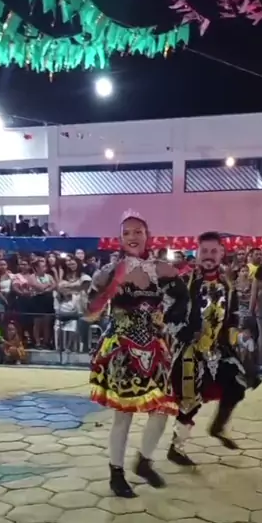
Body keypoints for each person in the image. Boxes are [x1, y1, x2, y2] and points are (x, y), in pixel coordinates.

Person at [87, 211, 189, 498]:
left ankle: (143, 460)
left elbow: (183, 299)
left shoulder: (162, 269)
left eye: (138, 231)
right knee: (124, 415)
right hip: (122, 347)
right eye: (127, 232)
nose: (133, 237)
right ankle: (116, 473)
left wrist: (168, 318)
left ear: (147, 236)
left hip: (153, 347)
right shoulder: (109, 271)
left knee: (164, 408)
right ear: (120, 239)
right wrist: (106, 289)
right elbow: (90, 310)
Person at [168, 231, 259, 467]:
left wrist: (239, 338)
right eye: (204, 251)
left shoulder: (227, 285)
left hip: (219, 350)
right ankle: (176, 448)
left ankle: (218, 427)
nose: (209, 256)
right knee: (190, 401)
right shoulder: (184, 283)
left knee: (237, 384)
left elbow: (231, 319)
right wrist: (185, 332)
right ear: (197, 253)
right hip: (189, 351)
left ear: (221, 253)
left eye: (213, 251)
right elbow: (168, 316)